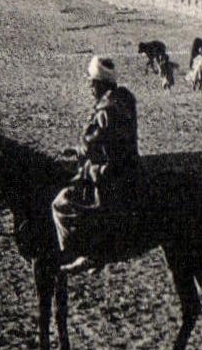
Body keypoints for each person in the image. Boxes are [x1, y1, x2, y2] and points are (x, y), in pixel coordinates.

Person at [54, 55, 141, 274]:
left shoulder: (105, 110)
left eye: (91, 83)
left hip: (110, 173)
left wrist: (78, 152)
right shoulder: (124, 100)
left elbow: (93, 144)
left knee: (62, 204)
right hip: (131, 168)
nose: (89, 87)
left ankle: (85, 253)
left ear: (99, 84)